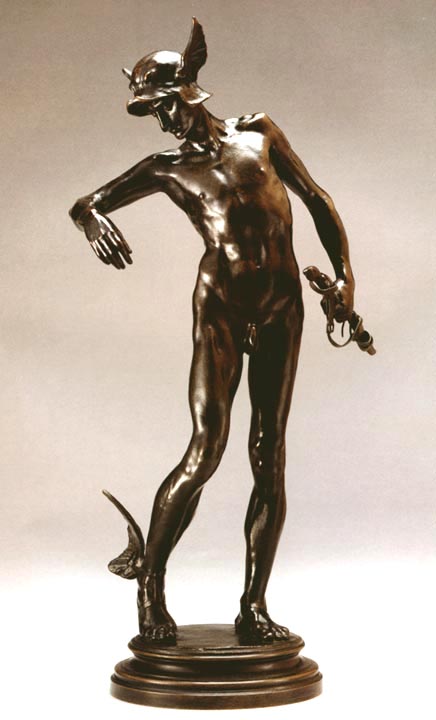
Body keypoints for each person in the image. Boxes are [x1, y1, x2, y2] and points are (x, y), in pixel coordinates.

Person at [70, 19, 355, 643]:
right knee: (206, 451)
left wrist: (345, 281)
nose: (161, 121)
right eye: (151, 112)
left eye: (163, 105)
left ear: (189, 90)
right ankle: (150, 586)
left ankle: (253, 606)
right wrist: (92, 221)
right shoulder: (166, 168)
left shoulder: (259, 132)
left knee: (269, 455)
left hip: (281, 307)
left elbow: (317, 198)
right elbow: (87, 202)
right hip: (220, 308)